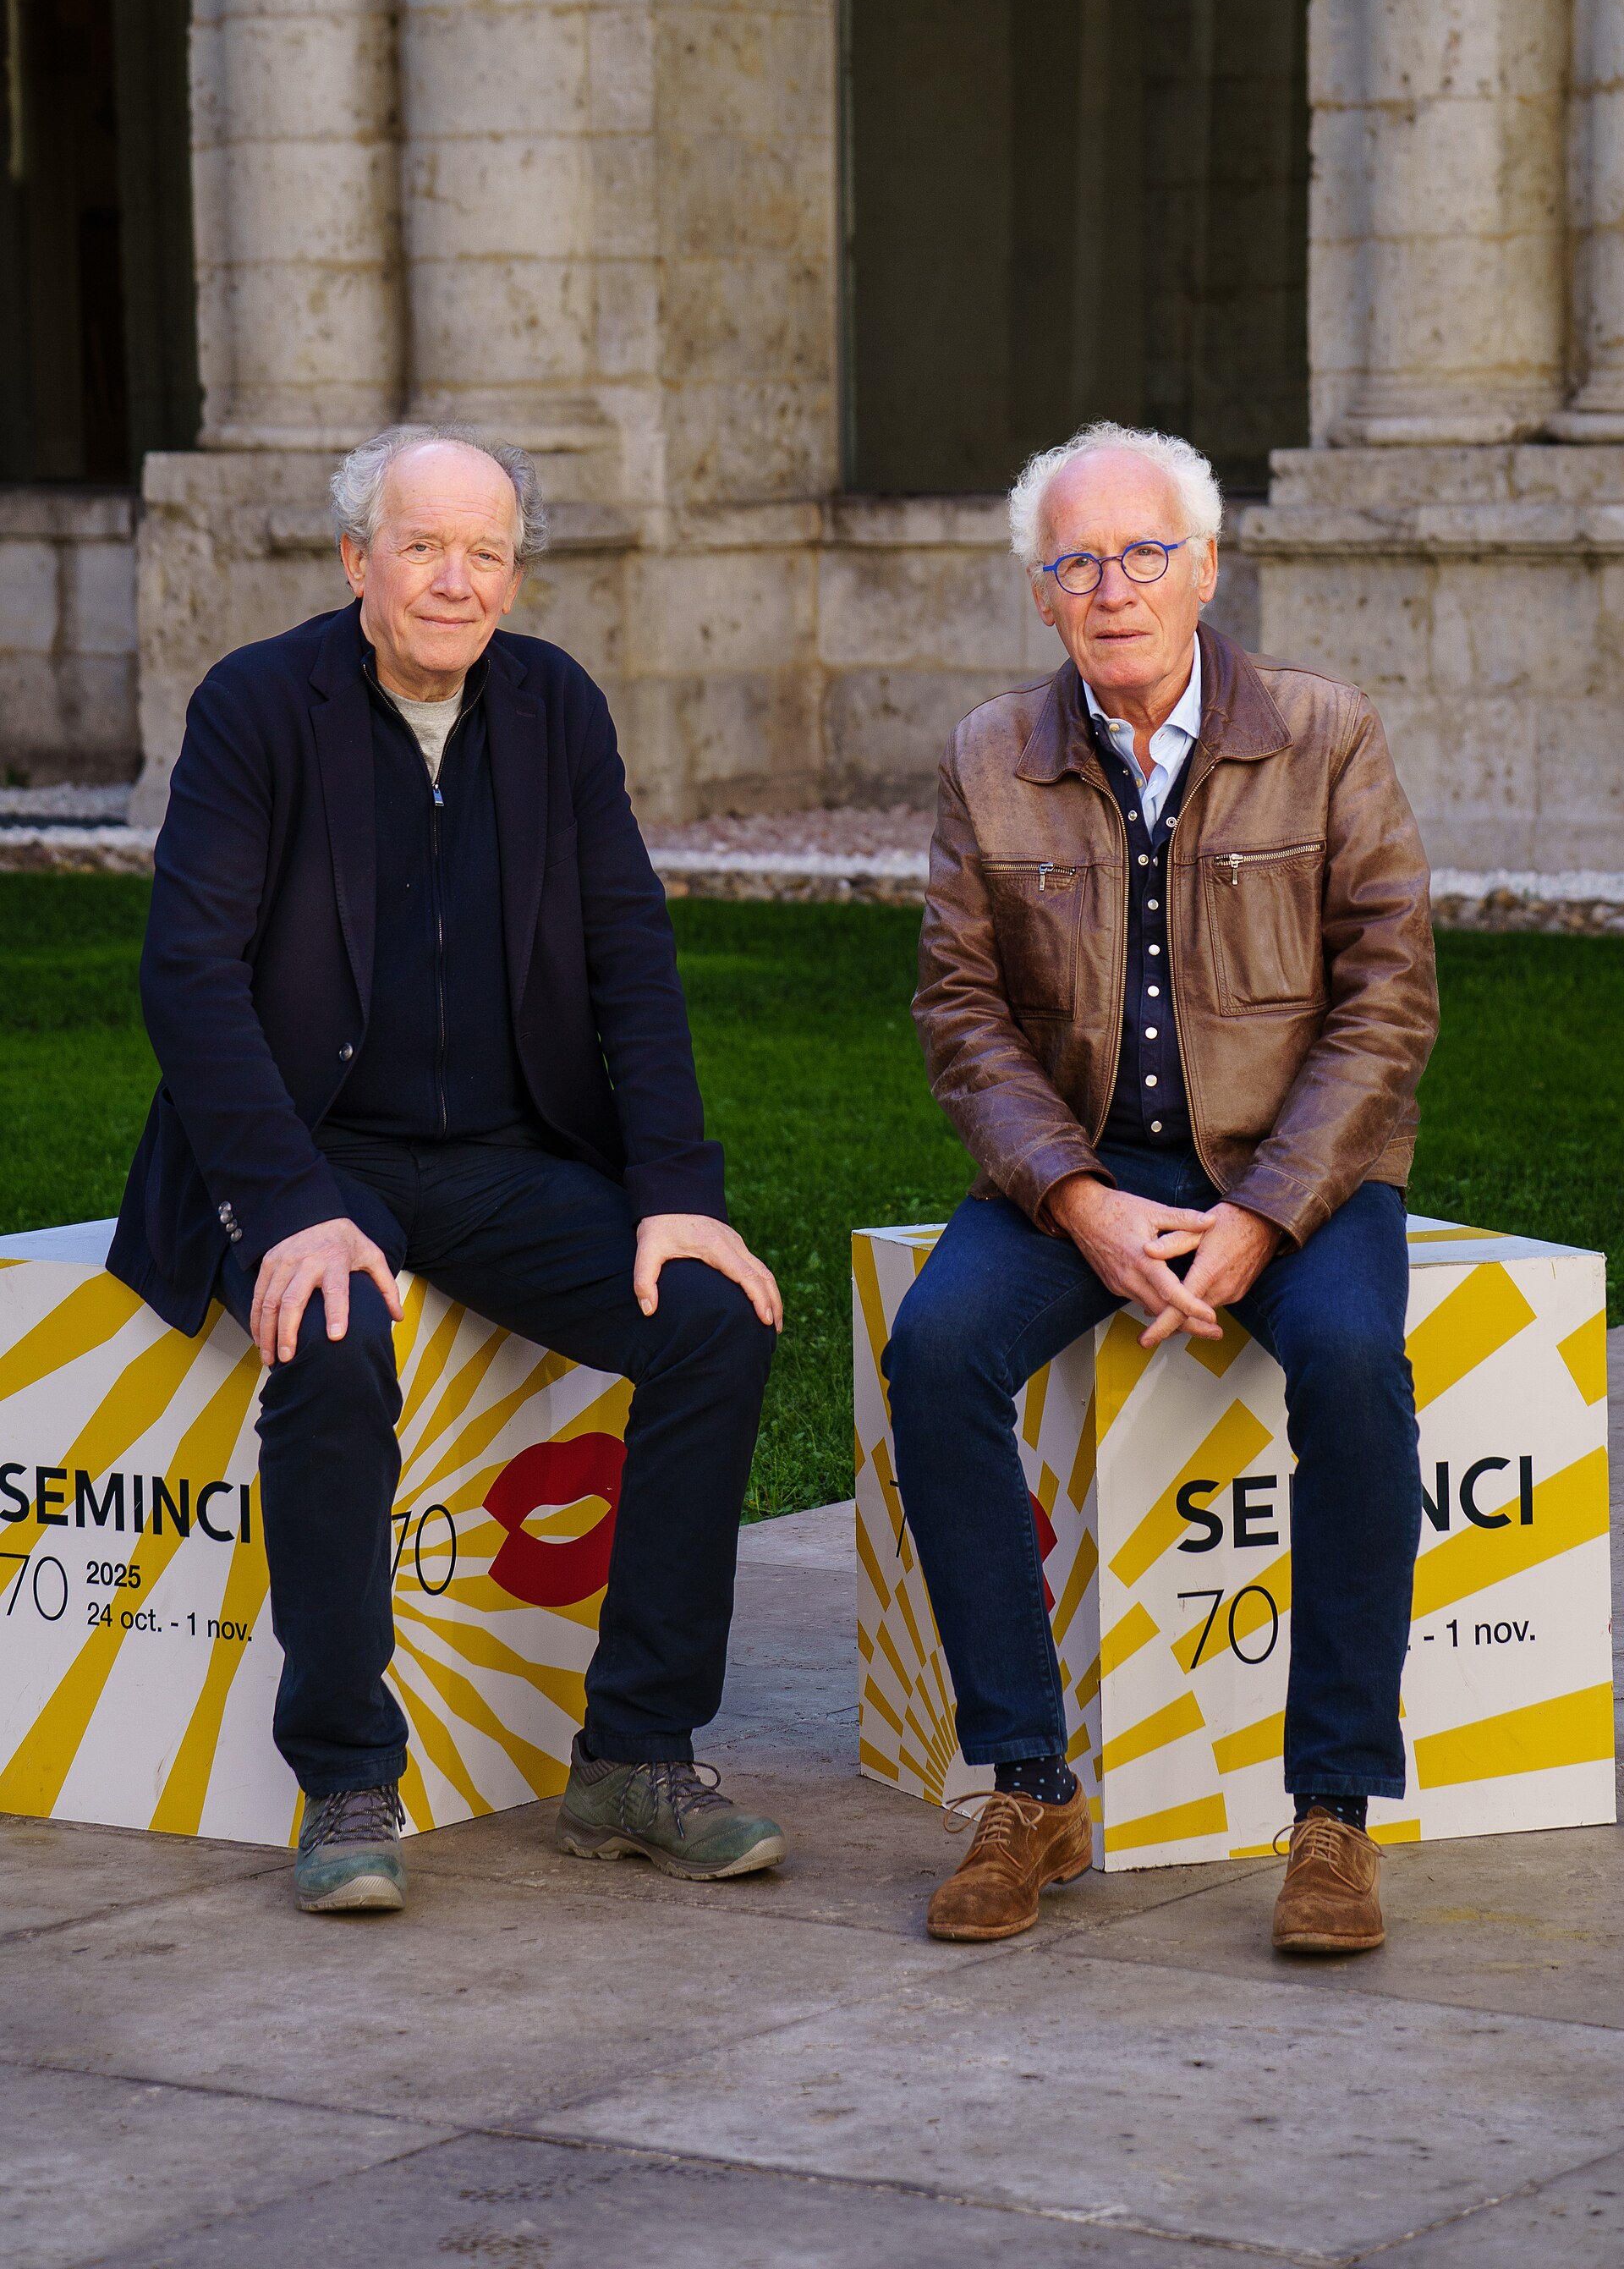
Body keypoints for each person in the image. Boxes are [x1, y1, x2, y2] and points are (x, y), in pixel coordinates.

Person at [111, 426, 787, 1912]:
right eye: (422, 545)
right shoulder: (256, 706)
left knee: (714, 1322)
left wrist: (676, 1188)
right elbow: (189, 975)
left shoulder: (553, 708)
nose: (455, 579)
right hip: (304, 1152)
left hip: (497, 1154)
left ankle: (636, 1754)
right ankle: (348, 1778)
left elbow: (629, 956)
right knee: (336, 1327)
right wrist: (286, 1211)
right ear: (358, 560)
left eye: (485, 552)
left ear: (515, 574)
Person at [886, 420, 1437, 1955]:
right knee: (932, 1355)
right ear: (1042, 595)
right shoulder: (991, 755)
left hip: (1295, 1167)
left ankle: (1333, 1812)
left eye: (1143, 553)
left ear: (1206, 567)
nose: (1112, 586)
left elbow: (1388, 1002)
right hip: (1082, 1167)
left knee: (1347, 1358)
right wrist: (1075, 1198)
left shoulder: (1325, 732)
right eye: (1077, 561)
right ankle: (1027, 1785)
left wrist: (1266, 1215)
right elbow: (960, 1013)